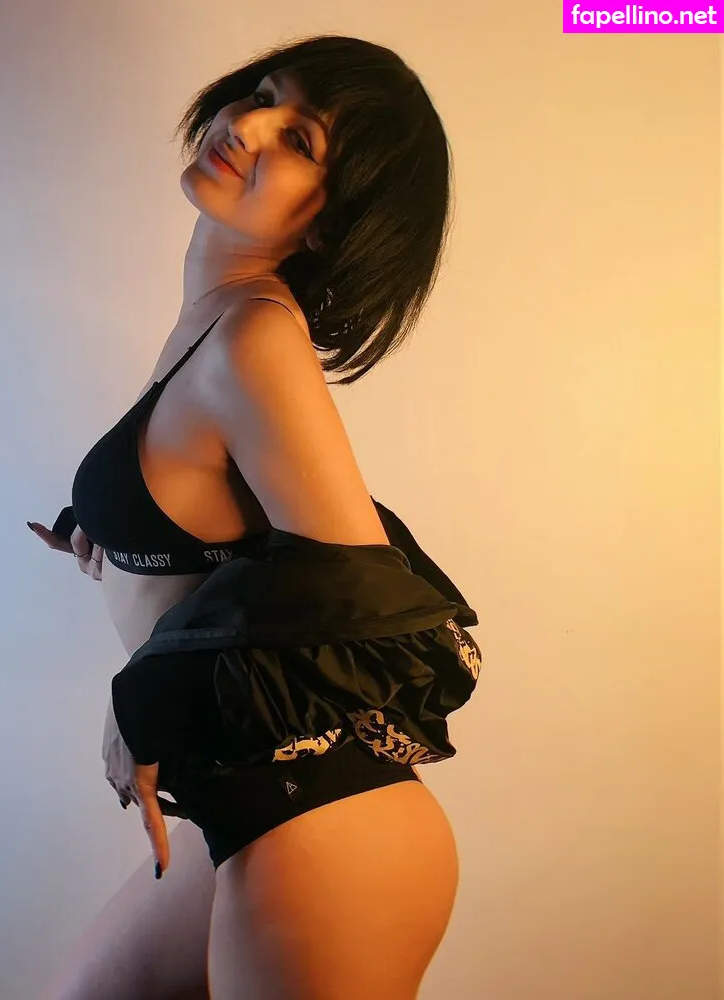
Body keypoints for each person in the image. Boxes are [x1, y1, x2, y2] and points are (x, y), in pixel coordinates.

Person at [28, 32, 476, 1000]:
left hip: (323, 825)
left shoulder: (255, 332)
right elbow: (257, 542)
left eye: (301, 141)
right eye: (265, 94)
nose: (250, 124)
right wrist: (125, 540)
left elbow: (364, 590)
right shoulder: (216, 320)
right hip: (242, 806)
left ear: (327, 224)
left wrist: (151, 692)